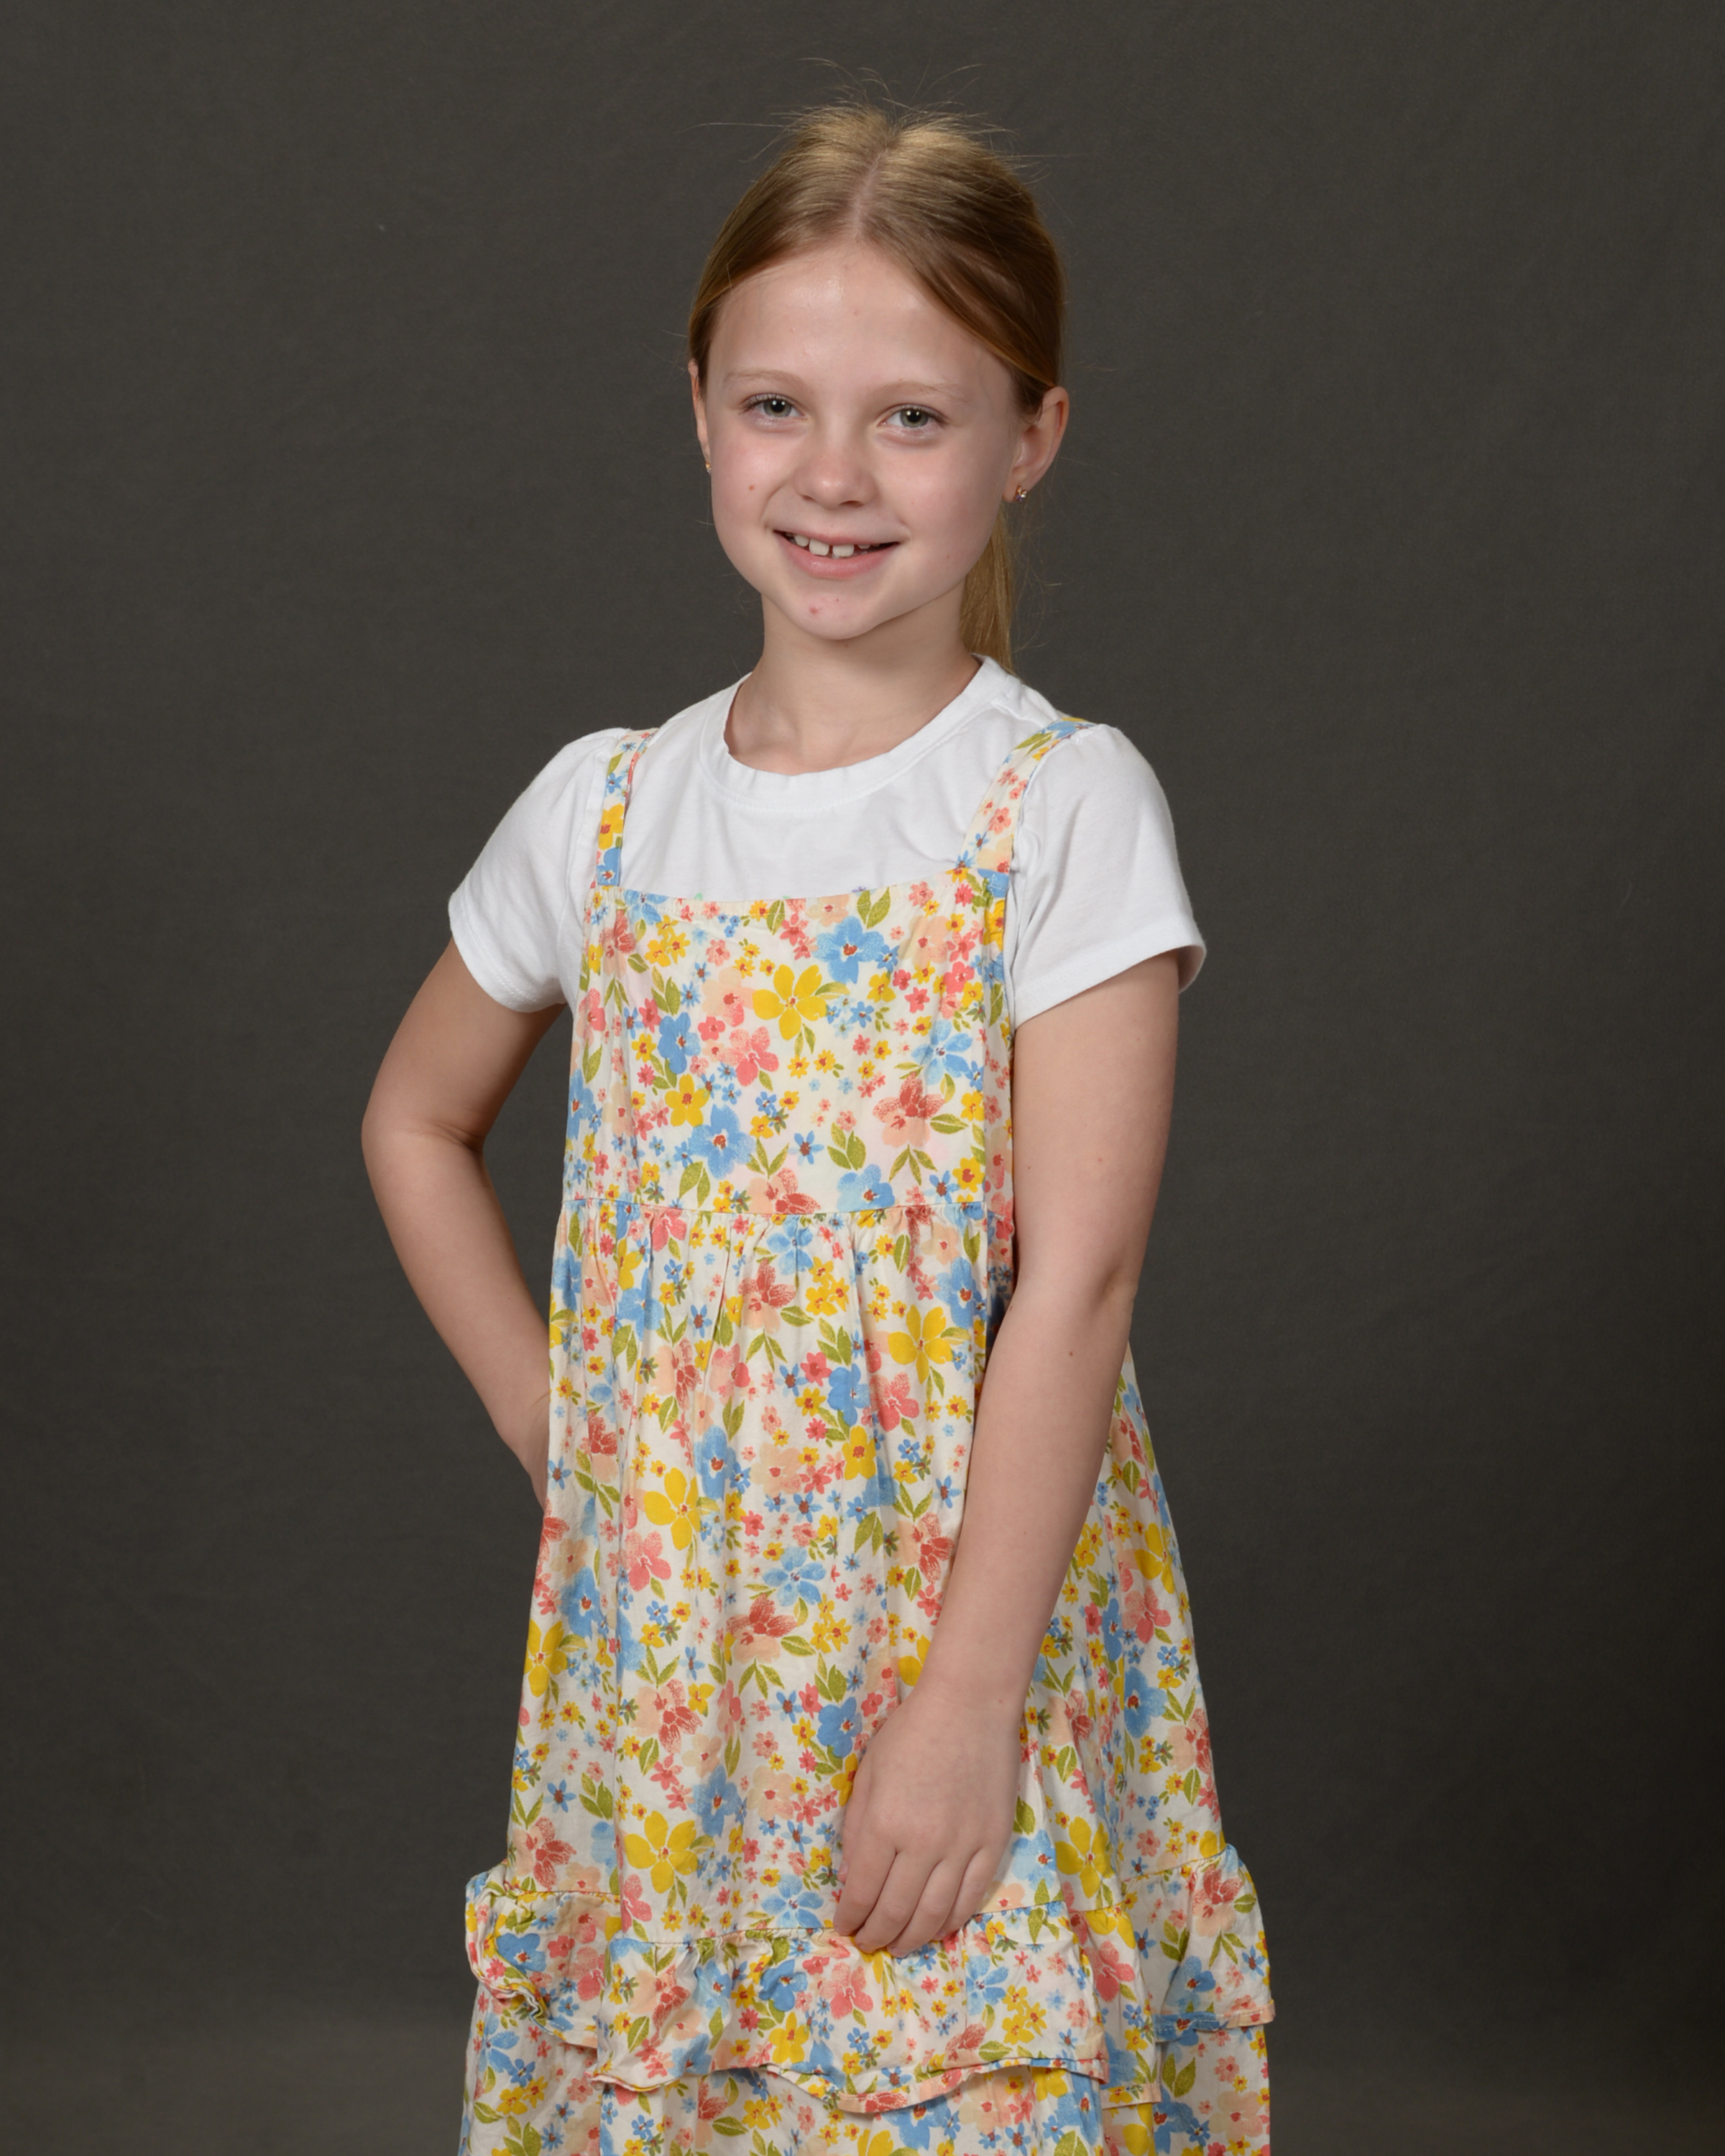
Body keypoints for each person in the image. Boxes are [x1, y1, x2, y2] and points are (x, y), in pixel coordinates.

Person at [364, 102, 1272, 2156]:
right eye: (778, 405)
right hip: (676, 1657)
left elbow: (1081, 1285)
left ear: (1030, 438)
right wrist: (561, 1426)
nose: (833, 476)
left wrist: (966, 1709)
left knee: (955, 2072)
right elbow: (416, 1118)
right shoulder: (606, 811)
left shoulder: (1056, 806)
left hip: (958, 1615)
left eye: (913, 419)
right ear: (700, 408)